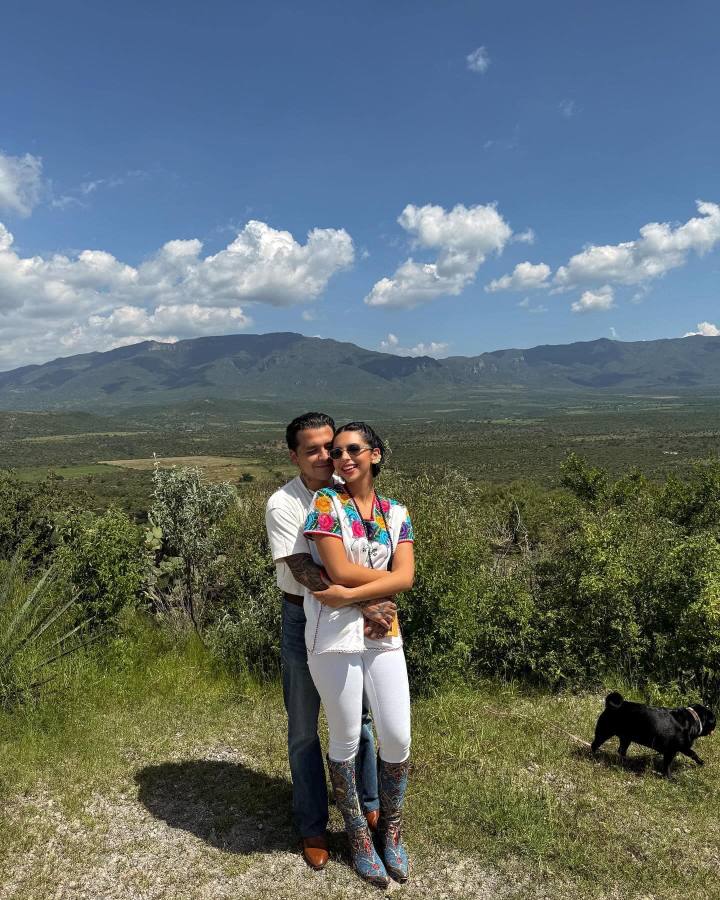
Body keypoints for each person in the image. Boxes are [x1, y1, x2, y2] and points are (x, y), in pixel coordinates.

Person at [264, 412, 397, 871]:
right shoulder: (284, 503)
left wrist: (368, 598)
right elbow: (304, 570)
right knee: (304, 726)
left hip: (355, 614)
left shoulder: (348, 491)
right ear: (294, 456)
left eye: (332, 447)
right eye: (314, 450)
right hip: (304, 614)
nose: (326, 456)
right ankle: (313, 825)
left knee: (358, 717)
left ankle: (369, 806)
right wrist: (368, 601)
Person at [302, 421, 414, 887]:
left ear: (376, 454)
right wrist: (385, 583)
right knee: (347, 736)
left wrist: (348, 594)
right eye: (337, 452)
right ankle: (358, 836)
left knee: (397, 736)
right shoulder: (325, 504)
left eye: (353, 449)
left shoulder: (396, 512)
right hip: (333, 636)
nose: (343, 458)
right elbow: (339, 567)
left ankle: (391, 829)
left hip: (384, 632)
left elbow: (402, 578)